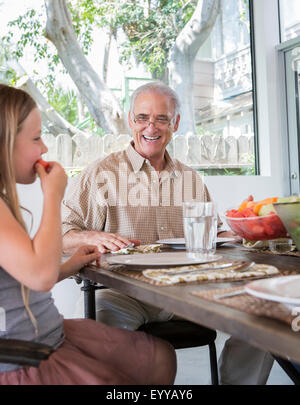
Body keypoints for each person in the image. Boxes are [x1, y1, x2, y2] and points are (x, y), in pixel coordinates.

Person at [61, 81, 274, 385]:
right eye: (143, 118)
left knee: (261, 320)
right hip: (123, 294)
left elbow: (209, 237)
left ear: (175, 123)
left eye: (162, 119)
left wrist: (242, 230)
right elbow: (62, 234)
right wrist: (89, 236)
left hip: (187, 292)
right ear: (131, 121)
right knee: (103, 342)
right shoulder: (100, 175)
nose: (152, 127)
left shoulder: (190, 178)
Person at [0, 84, 176, 385]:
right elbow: (40, 275)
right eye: (36, 138)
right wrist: (53, 197)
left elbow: (24, 277)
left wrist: (70, 265)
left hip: (51, 333)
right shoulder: (101, 172)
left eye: (162, 118)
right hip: (28, 353)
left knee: (162, 358)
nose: (44, 148)